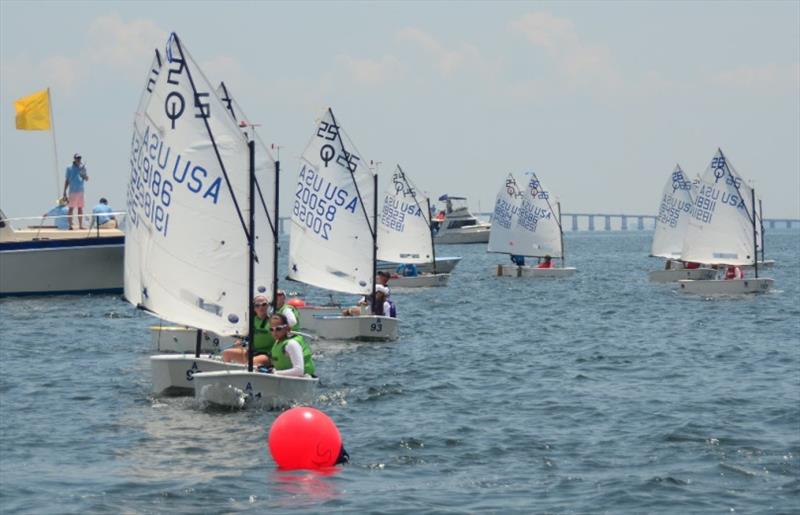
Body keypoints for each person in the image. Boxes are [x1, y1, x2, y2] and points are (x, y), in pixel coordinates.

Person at [222, 295, 273, 368]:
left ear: (268, 306)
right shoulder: (251, 320)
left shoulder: (273, 321)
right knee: (226, 353)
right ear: (254, 308)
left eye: (264, 304)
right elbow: (244, 334)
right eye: (257, 305)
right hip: (251, 351)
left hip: (267, 354)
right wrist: (239, 341)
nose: (261, 307)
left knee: (252, 362)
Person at [266, 313, 316, 378]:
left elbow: (299, 370)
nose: (274, 332)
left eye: (278, 329)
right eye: (271, 329)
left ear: (287, 328)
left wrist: (275, 373)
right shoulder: (278, 342)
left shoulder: (291, 344)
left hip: (303, 379)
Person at [63, 153, 89, 230]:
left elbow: (87, 179)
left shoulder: (83, 167)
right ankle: (70, 225)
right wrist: (64, 191)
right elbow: (67, 180)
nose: (79, 159)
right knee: (71, 208)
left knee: (80, 208)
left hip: (81, 191)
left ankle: (80, 225)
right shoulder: (69, 168)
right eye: (77, 158)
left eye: (80, 158)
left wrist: (83, 175)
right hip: (72, 191)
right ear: (74, 159)